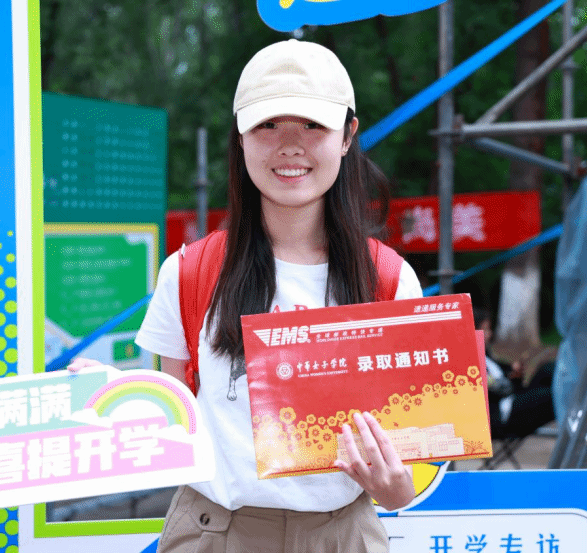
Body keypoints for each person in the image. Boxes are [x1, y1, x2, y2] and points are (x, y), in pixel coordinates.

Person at [70, 39, 423, 552]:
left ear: (348, 136)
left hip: (342, 535)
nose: (290, 146)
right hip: (214, 532)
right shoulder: (188, 273)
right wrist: (121, 398)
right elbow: (177, 424)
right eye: (267, 125)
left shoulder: (389, 281)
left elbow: (414, 456)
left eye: (313, 125)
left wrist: (397, 487)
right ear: (239, 137)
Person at [474, 307, 555, 439]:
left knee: (548, 370)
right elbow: (498, 388)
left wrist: (514, 373)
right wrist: (511, 376)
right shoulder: (473, 362)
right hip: (502, 412)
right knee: (551, 394)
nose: (490, 334)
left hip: (513, 397)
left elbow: (503, 378)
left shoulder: (486, 355)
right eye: (485, 330)